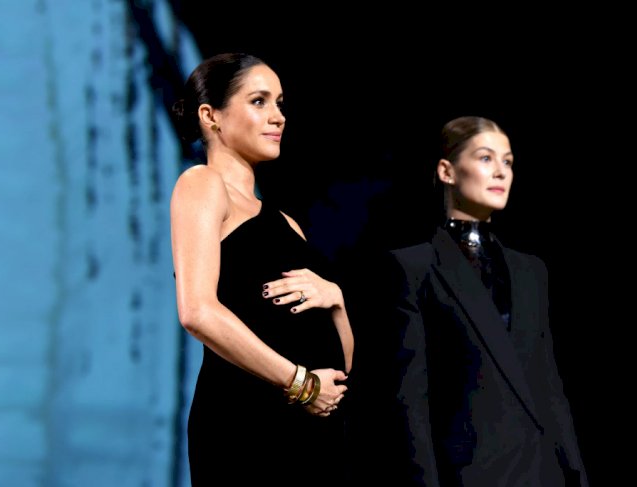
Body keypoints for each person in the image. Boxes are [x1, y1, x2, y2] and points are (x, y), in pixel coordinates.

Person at [348, 116, 588, 486]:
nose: (501, 172)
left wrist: (575, 474)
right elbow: (410, 399)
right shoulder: (414, 267)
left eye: (507, 161)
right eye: (486, 158)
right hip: (468, 474)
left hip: (543, 471)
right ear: (447, 170)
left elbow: (549, 385)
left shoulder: (531, 271)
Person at [169, 52, 353, 486]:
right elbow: (197, 310)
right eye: (259, 101)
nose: (278, 117)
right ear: (210, 116)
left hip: (314, 427)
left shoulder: (286, 223)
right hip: (247, 422)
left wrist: (338, 300)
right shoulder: (201, 184)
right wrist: (301, 384)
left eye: (280, 103)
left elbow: (343, 363)